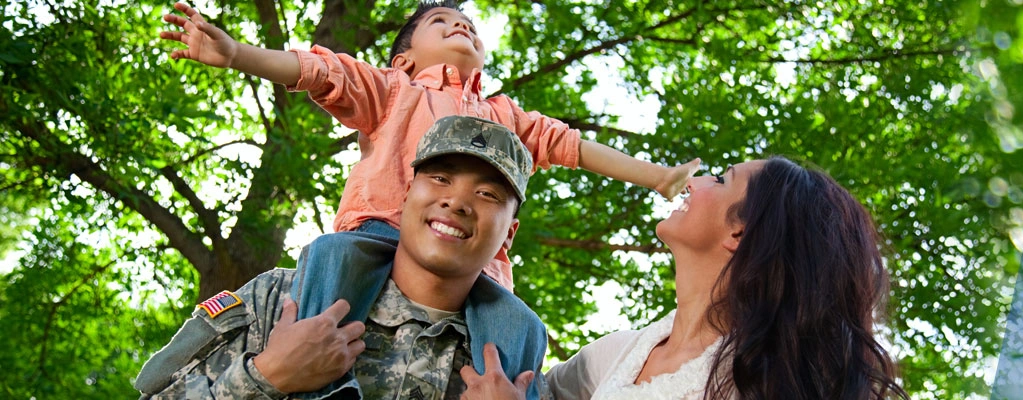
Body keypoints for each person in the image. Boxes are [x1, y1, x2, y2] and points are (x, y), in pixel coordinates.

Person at [158, 1, 701, 323]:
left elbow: (574, 147)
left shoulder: (505, 114)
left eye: (469, 24)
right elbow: (320, 71)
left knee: (518, 326)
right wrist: (238, 56)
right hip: (382, 231)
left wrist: (657, 177)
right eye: (442, 22)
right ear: (405, 55)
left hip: (477, 260)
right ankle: (312, 374)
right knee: (329, 256)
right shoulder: (393, 89)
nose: (461, 26)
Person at [135, 116, 551, 399]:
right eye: (440, 178)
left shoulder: (510, 370)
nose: (456, 201)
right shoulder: (286, 300)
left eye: (487, 194)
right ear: (406, 197)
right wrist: (266, 375)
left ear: (508, 235)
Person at [463, 157, 910, 400]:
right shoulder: (618, 354)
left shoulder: (753, 383)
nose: (694, 182)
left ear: (740, 231)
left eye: (720, 177)